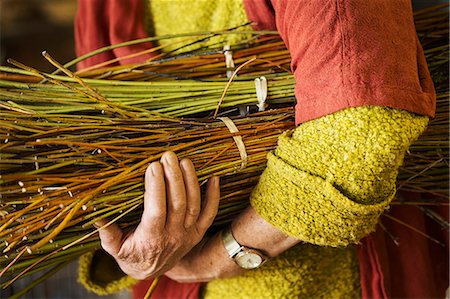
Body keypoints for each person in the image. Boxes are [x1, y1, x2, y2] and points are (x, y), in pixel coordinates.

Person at [76, 1, 438, 298]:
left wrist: (212, 260)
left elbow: (360, 127)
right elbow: (95, 163)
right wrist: (133, 257)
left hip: (326, 283)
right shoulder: (100, 8)